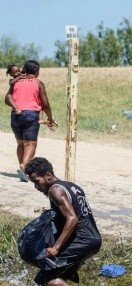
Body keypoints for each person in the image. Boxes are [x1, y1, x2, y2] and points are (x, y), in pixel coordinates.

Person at [25, 157, 102, 286]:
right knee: (58, 276)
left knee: (45, 278)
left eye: (37, 182)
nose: (36, 186)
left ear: (48, 175)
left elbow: (72, 219)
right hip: (92, 238)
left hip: (81, 240)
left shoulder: (54, 190)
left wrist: (56, 247)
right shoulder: (72, 186)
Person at [5, 60, 56, 182]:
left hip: (16, 115)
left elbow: (7, 99)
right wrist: (50, 118)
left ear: (25, 70)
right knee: (30, 144)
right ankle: (24, 166)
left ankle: (23, 170)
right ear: (37, 71)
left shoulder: (16, 83)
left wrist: (16, 107)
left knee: (21, 143)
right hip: (30, 115)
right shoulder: (38, 83)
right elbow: (45, 104)